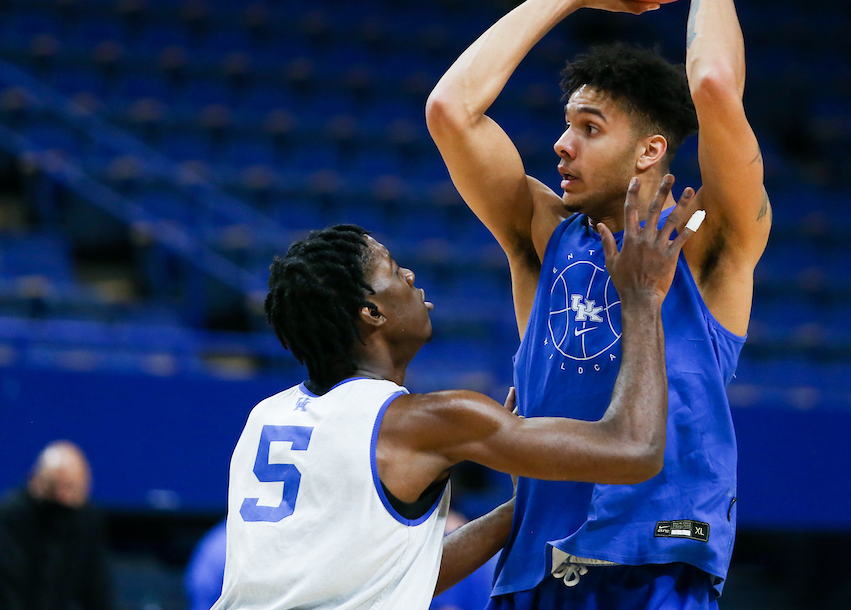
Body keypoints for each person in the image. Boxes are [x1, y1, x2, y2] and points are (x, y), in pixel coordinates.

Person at [425, 0, 769, 609]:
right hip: (533, 574)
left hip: (655, 565)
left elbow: (711, 86)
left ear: (650, 150)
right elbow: (452, 110)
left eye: (588, 128)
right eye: (565, 124)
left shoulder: (709, 239)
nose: (560, 146)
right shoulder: (545, 236)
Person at [213, 176, 702, 610]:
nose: (408, 276)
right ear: (372, 313)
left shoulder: (267, 416)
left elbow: (393, 577)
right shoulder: (426, 421)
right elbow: (636, 452)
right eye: (392, 269)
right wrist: (641, 300)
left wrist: (520, 505)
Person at [0, 441, 114, 610]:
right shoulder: (10, 515)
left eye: (72, 488)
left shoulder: (87, 520)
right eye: (56, 486)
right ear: (36, 480)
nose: (64, 496)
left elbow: (97, 590)